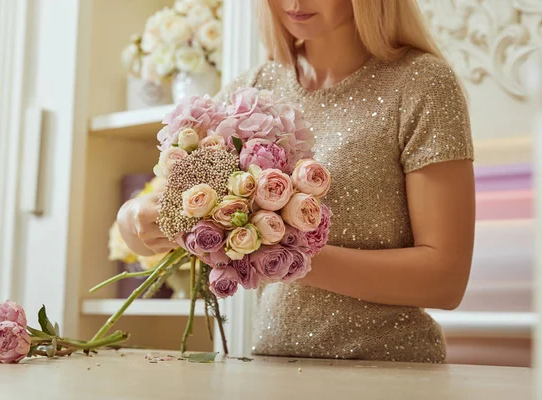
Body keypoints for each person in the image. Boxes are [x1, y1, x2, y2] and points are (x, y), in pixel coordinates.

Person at [118, 0, 475, 363]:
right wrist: (133, 218)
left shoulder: (422, 83)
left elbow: (445, 280)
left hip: (392, 374)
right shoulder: (253, 88)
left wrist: (280, 254)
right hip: (273, 369)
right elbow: (164, 210)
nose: (293, 3)